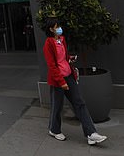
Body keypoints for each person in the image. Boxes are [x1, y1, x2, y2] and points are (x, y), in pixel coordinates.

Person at [42, 18, 108, 146]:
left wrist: (69, 58)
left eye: (59, 25)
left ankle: (91, 133)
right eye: (57, 26)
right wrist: (61, 82)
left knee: (80, 103)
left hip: (68, 75)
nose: (59, 28)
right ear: (51, 29)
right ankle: (54, 129)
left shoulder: (62, 40)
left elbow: (63, 57)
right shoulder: (48, 44)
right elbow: (52, 65)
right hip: (58, 79)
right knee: (57, 106)